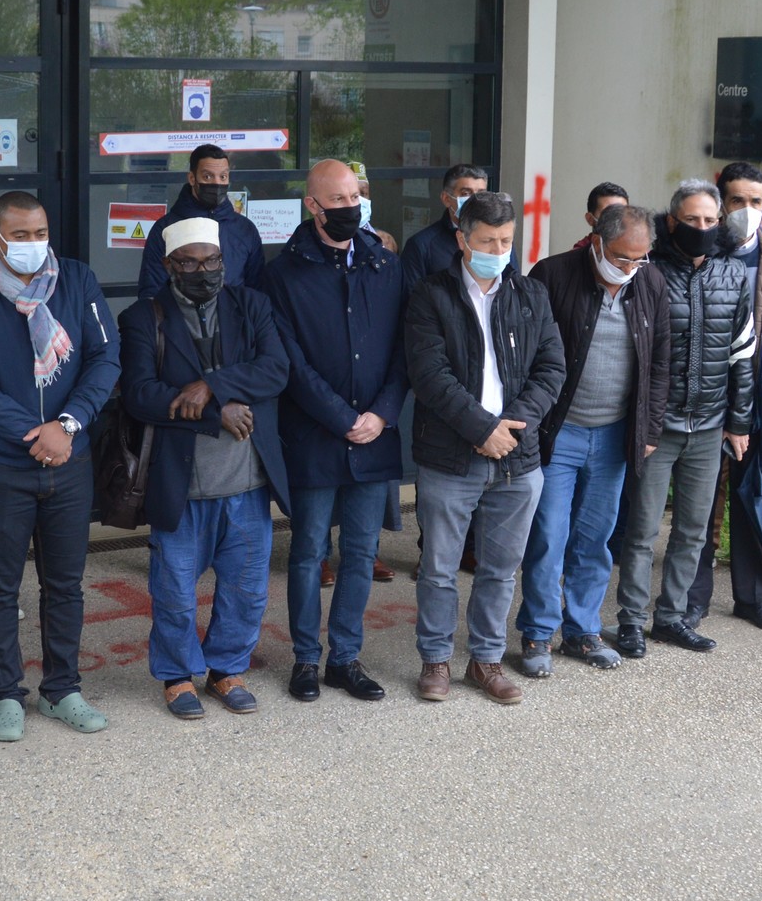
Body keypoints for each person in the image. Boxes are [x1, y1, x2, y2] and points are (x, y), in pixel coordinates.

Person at [0, 190, 119, 742]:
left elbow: (104, 358)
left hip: (69, 456)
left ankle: (62, 689)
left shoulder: (78, 281)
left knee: (65, 585)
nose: (32, 245)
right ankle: (6, 695)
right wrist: (30, 431)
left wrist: (65, 426)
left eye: (39, 233)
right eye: (19, 235)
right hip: (0, 462)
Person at [120, 216, 290, 719]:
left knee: (246, 588)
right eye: (190, 262)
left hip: (248, 482)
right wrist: (219, 412)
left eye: (211, 260)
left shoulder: (251, 304)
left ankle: (226, 668)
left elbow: (275, 369)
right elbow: (140, 394)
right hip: (181, 485)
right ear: (170, 265)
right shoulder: (142, 317)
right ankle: (176, 676)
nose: (203, 271)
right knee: (173, 592)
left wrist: (211, 386)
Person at [404, 191, 564, 704]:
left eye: (507, 239)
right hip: (451, 456)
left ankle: (487, 660)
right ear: (462, 240)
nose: (499, 248)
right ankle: (434, 660)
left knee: (500, 568)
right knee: (439, 568)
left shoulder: (530, 294)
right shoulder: (431, 295)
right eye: (488, 240)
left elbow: (552, 368)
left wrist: (512, 427)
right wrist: (481, 429)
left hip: (518, 458)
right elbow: (430, 376)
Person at [259, 159, 407, 703]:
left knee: (363, 551)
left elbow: (403, 351)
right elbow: (290, 363)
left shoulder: (385, 264)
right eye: (338, 200)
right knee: (308, 552)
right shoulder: (281, 275)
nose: (350, 208)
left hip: (376, 433)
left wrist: (382, 414)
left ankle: (345, 658)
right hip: (316, 437)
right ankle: (305, 659)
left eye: (355, 198)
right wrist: (342, 418)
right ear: (312, 206)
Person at [517, 204, 668, 674]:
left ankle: (580, 630)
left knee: (595, 537)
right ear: (597, 241)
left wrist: (649, 429)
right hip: (557, 433)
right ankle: (539, 633)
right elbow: (525, 353)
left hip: (615, 435)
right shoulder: (553, 274)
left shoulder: (650, 282)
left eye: (640, 259)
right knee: (549, 534)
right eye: (622, 258)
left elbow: (661, 360)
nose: (630, 268)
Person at [612, 180, 754, 656]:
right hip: (658, 428)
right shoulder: (647, 271)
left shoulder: (735, 275)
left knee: (693, 531)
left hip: (709, 425)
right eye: (692, 220)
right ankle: (631, 620)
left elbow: (743, 355)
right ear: (671, 221)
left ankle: (670, 617)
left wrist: (738, 422)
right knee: (642, 531)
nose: (701, 228)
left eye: (710, 220)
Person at [685, 162, 762, 632]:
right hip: (705, 395)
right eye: (737, 201)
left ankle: (755, 598)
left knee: (756, 496)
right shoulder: (700, 248)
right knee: (699, 503)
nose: (748, 211)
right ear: (719, 205)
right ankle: (689, 598)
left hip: (761, 395)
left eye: (756, 202)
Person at [136, 144, 266, 299]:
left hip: (234, 320)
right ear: (192, 178)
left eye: (223, 176)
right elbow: (152, 290)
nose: (216, 183)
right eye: (207, 176)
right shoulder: (165, 229)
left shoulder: (245, 229)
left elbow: (257, 291)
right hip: (180, 320)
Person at [400, 162, 490, 289]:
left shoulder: (498, 239)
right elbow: (411, 299)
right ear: (446, 199)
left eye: (481, 194)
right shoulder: (421, 246)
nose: (475, 200)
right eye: (466, 193)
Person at [570, 181, 630, 250]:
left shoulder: (640, 249)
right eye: (608, 213)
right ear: (590, 219)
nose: (616, 219)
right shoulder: (578, 255)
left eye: (621, 212)